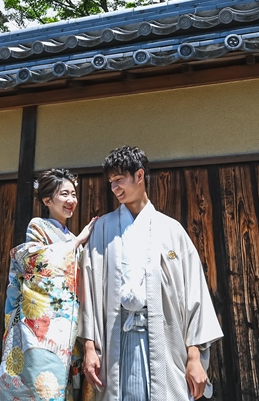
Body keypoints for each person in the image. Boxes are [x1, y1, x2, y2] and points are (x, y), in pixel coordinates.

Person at [79, 146, 223, 401]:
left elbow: (193, 293)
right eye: (111, 182)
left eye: (120, 179)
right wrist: (89, 346)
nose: (115, 188)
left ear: (139, 175)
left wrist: (194, 356)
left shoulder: (171, 230)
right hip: (114, 341)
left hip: (165, 342)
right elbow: (87, 290)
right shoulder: (102, 228)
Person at [0, 169, 96, 401]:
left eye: (74, 194)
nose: (72, 201)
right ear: (47, 200)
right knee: (39, 386)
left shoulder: (70, 238)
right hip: (43, 329)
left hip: (68, 329)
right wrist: (78, 242)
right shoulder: (38, 226)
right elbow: (35, 262)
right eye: (65, 194)